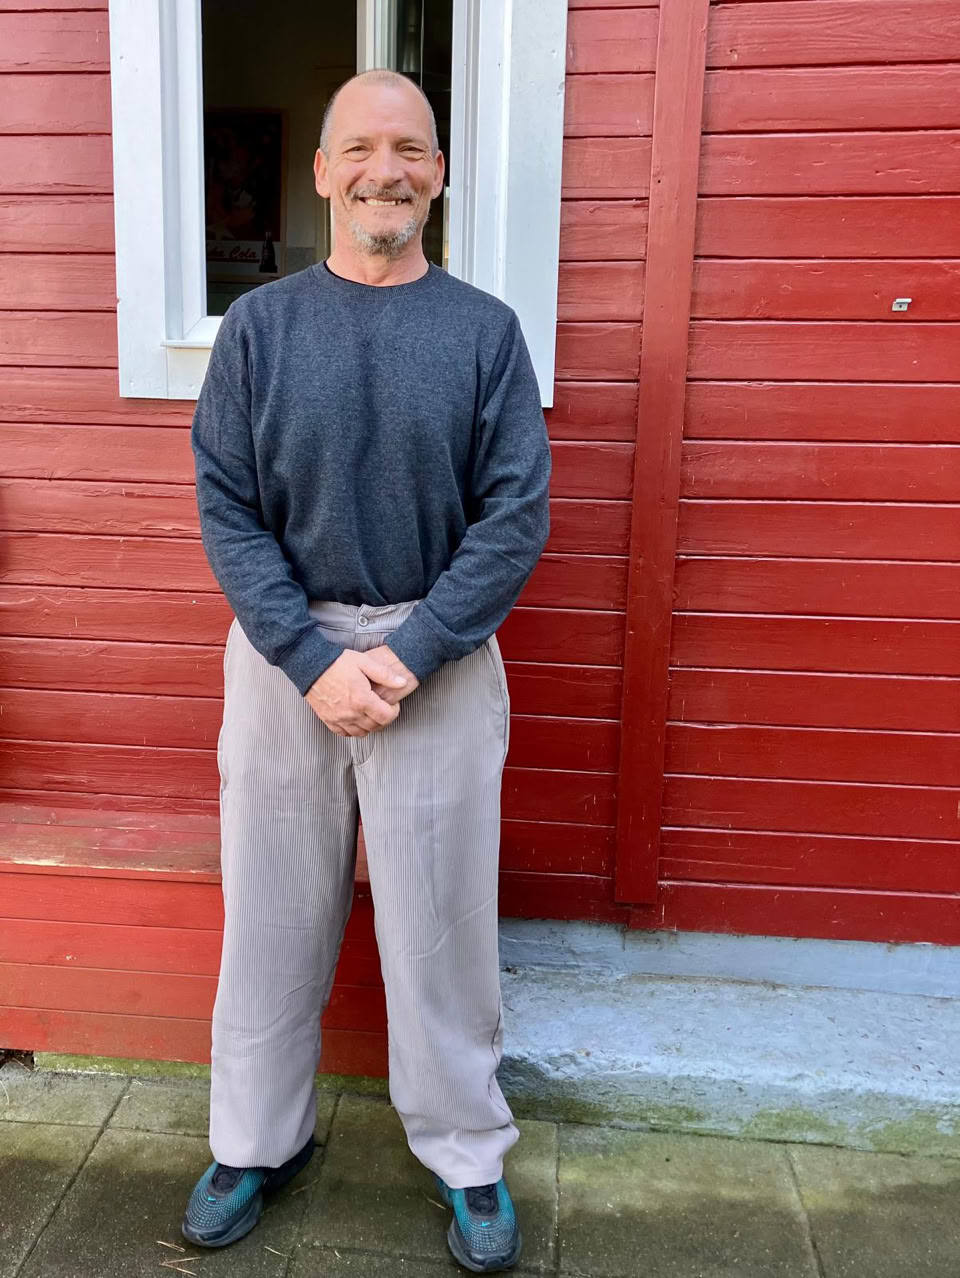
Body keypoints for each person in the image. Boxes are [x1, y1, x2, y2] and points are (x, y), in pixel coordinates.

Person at [181, 68, 552, 1274]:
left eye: (409, 149)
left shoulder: (486, 332)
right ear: (323, 171)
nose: (384, 170)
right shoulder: (259, 328)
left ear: (437, 174)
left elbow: (514, 518)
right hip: (282, 656)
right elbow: (228, 508)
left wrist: (406, 654)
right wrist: (308, 658)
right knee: (272, 917)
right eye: (360, 148)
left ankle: (466, 1152)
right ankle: (255, 1141)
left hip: (436, 656)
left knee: (443, 927)